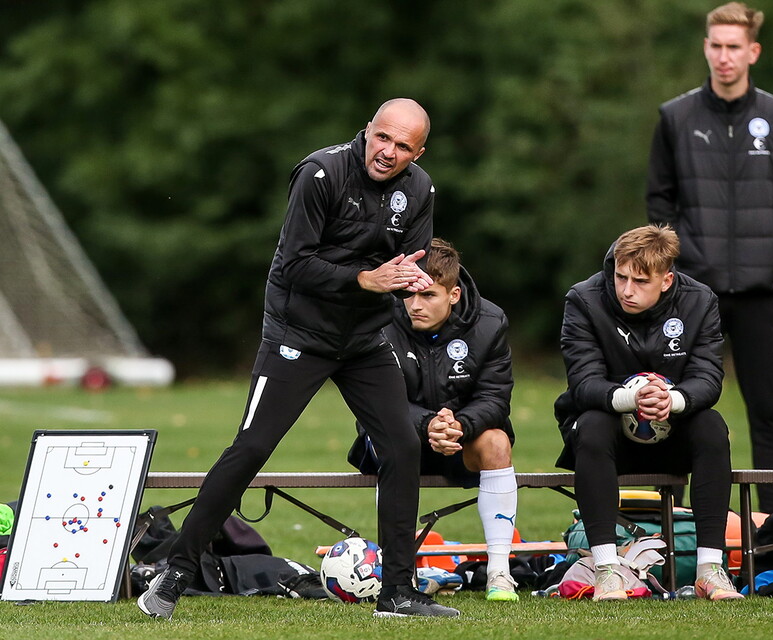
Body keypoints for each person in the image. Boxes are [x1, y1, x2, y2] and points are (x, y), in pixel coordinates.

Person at [138, 98, 460, 619]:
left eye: (403, 146)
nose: (388, 151)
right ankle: (173, 575)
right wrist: (366, 279)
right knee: (252, 446)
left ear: (418, 152)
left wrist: (411, 280)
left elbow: (407, 261)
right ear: (367, 131)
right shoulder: (321, 173)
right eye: (382, 137)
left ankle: (397, 594)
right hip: (298, 333)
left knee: (403, 444)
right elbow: (293, 265)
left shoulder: (419, 189)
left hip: (364, 338)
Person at [646, 1, 773, 515]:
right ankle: (668, 530)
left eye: (733, 47)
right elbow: (659, 204)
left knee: (767, 414)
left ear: (752, 51)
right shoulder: (675, 117)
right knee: (669, 407)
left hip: (764, 294)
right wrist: (685, 260)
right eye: (715, 45)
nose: (723, 56)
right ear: (705, 47)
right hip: (692, 294)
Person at [554, 224, 743, 601]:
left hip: (675, 433)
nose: (626, 289)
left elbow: (708, 377)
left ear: (667, 280)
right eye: (621, 276)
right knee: (590, 424)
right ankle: (607, 569)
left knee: (712, 426)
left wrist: (672, 401)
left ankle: (710, 570)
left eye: (640, 281)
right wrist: (632, 397)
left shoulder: (699, 300)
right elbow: (583, 381)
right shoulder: (584, 299)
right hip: (605, 436)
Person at [348, 237, 518, 601]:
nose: (414, 305)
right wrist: (427, 424)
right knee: (390, 439)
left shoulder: (489, 323)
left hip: (459, 440)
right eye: (408, 294)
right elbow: (371, 403)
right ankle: (398, 573)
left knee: (497, 441)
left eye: (428, 296)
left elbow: (495, 398)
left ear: (453, 295)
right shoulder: (377, 320)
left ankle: (499, 573)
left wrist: (458, 426)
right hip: (395, 440)